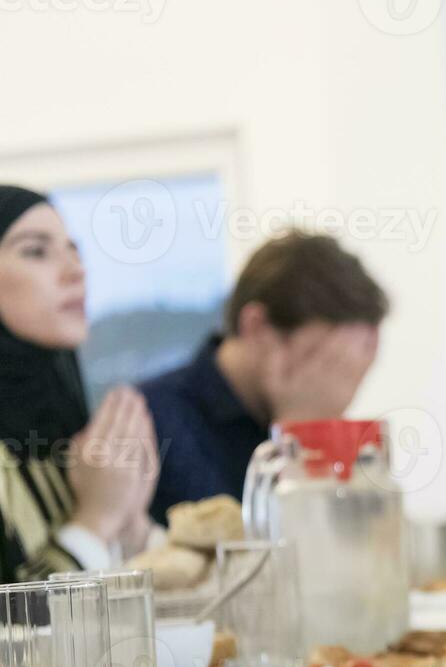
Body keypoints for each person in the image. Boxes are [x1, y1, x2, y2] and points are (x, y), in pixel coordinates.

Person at [139, 229, 387, 523]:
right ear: (257, 328)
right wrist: (302, 433)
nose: (337, 396)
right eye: (327, 362)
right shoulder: (153, 422)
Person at [0, 185, 158, 583]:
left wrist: (132, 522)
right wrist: (95, 519)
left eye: (74, 250)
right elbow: (14, 636)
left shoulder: (61, 417)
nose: (76, 270)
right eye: (36, 251)